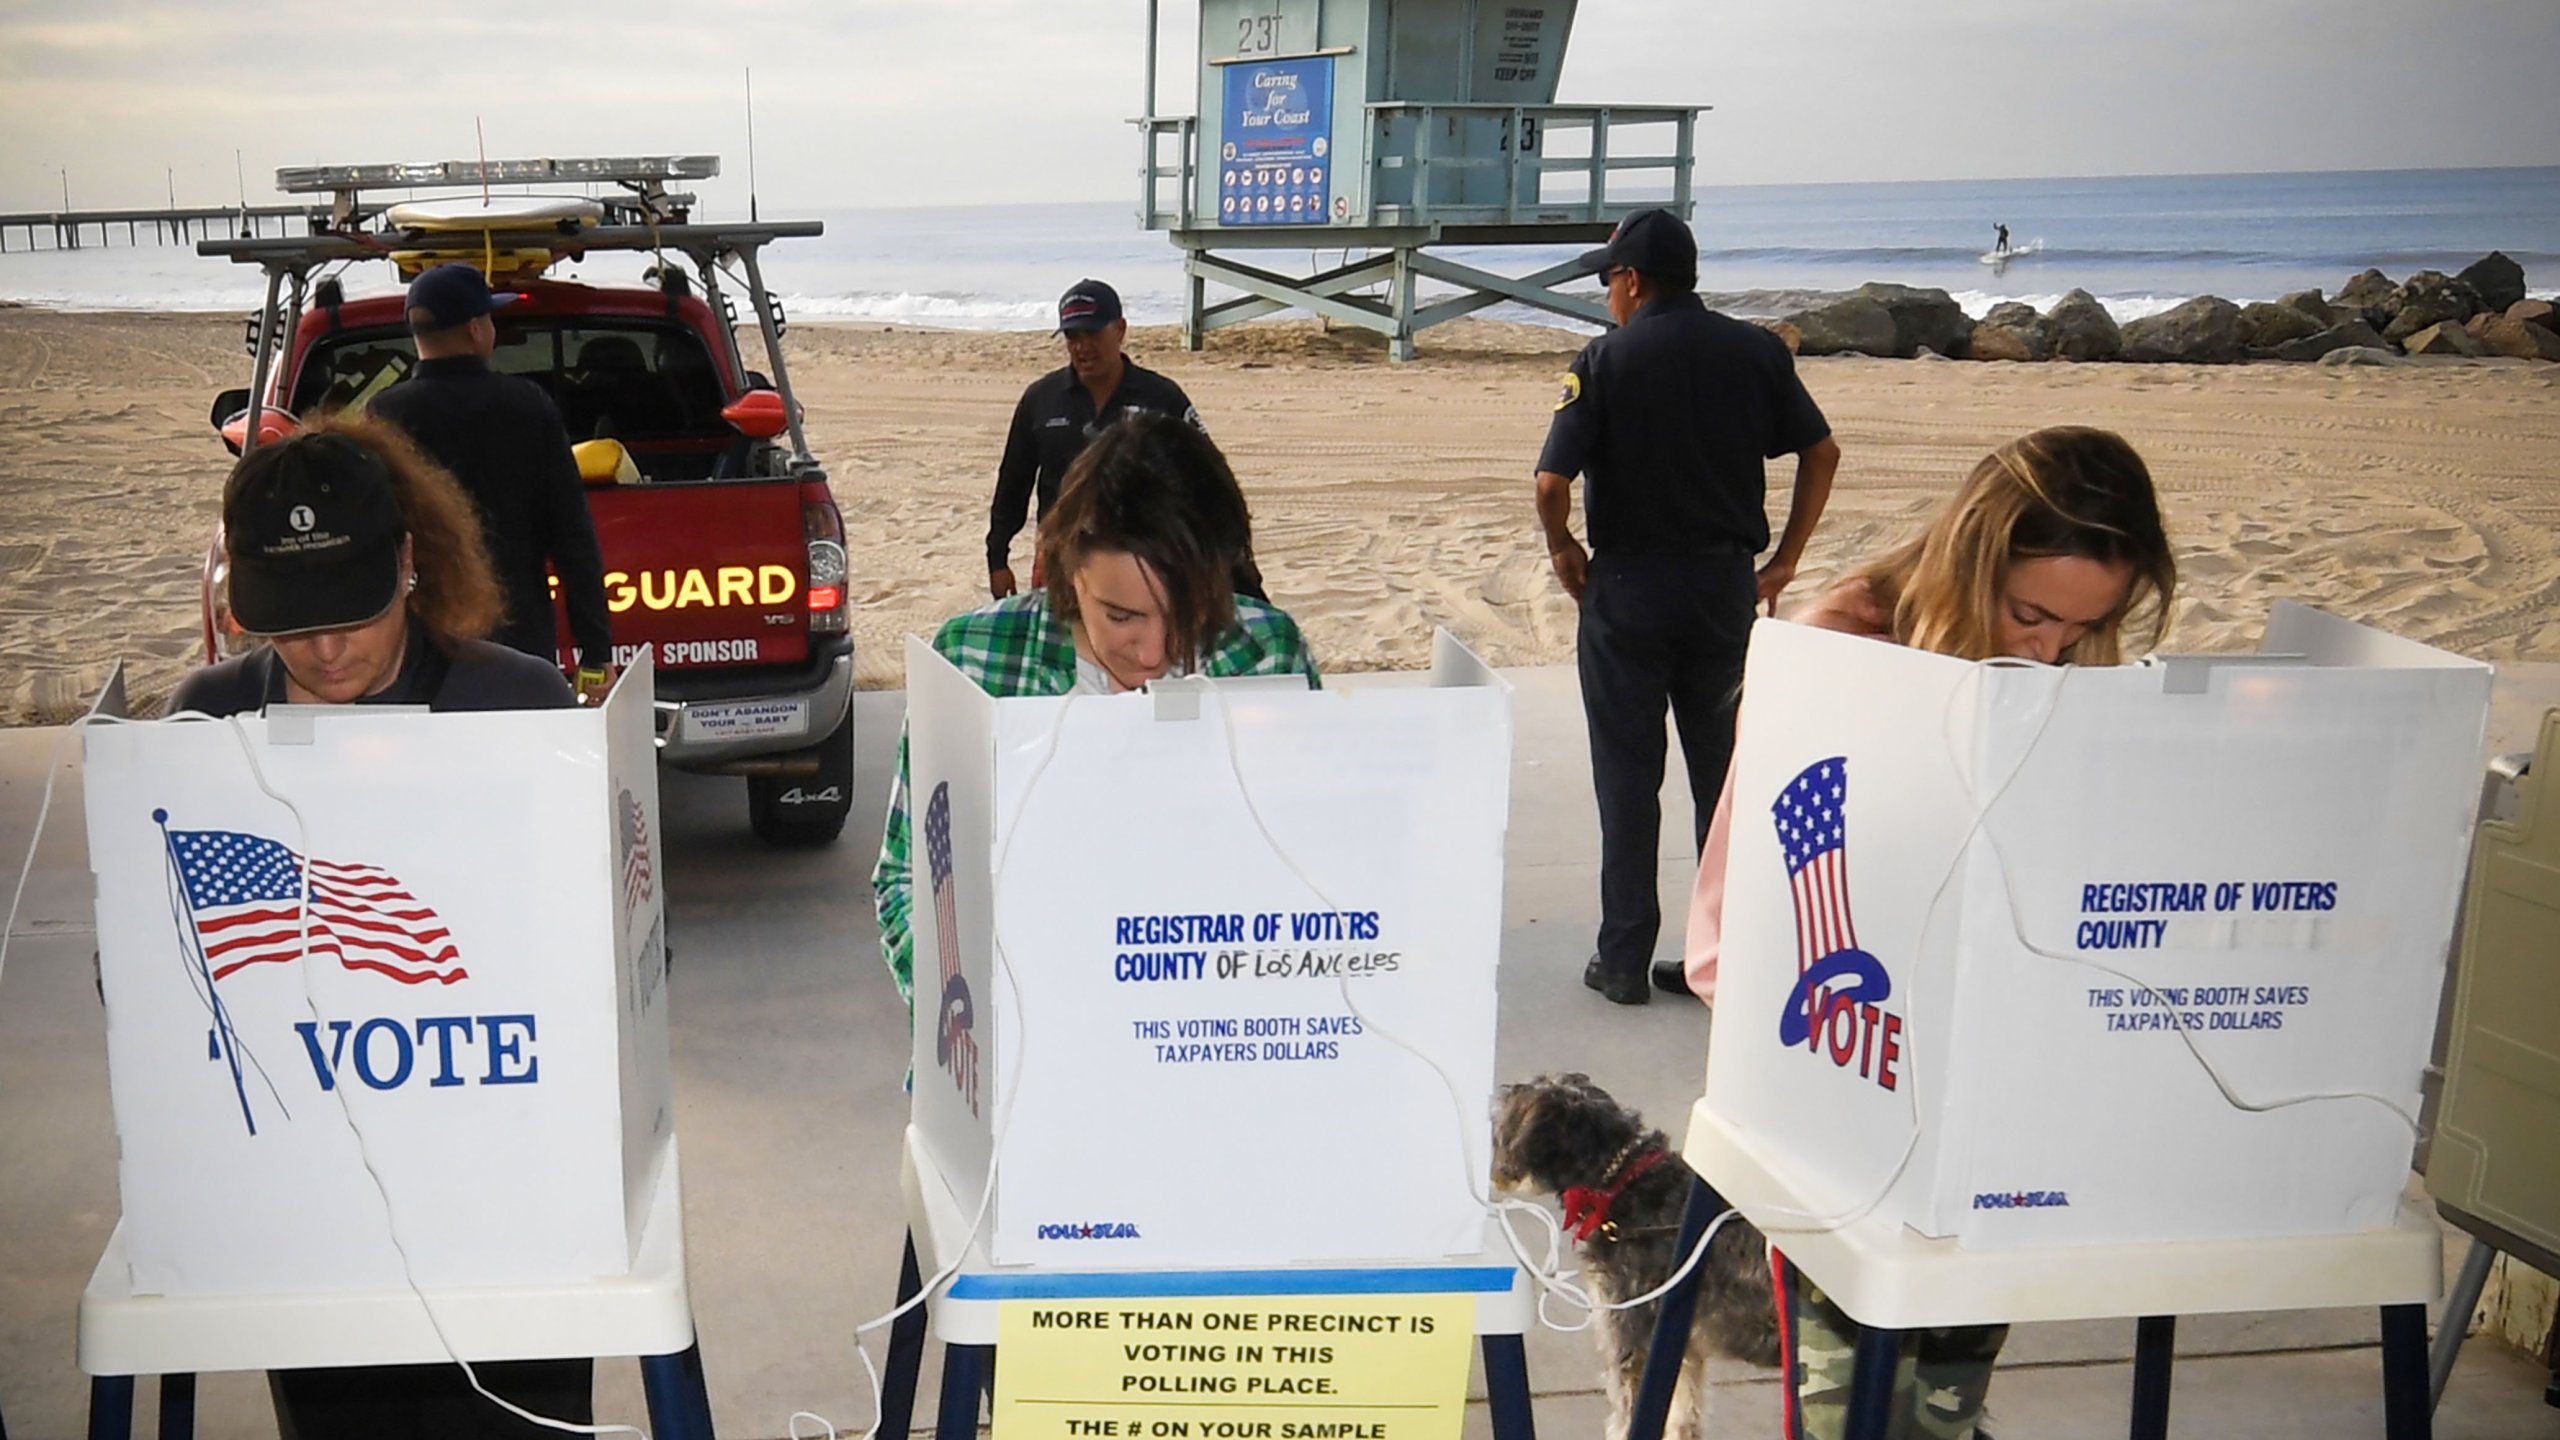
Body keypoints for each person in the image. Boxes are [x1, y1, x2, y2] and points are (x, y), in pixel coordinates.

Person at [1684, 425, 2179, 1440]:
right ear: (1970, 559)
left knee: (1942, 1406)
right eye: (2030, 615)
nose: (2048, 651)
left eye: (2084, 633)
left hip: (1994, 1104)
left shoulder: (2052, 669)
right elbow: (1739, 922)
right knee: (1843, 1410)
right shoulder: (1840, 653)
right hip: (1833, 1084)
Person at [167, 416, 591, 1438]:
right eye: (290, 620)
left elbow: (615, 949)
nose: (323, 647)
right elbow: (152, 980)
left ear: (407, 563)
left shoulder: (520, 704)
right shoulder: (204, 722)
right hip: (311, 1204)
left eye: (349, 611)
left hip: (511, 1190)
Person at [875, 412, 1317, 1015]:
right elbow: (909, 883)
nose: (1156, 653)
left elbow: (1309, 874)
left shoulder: (1267, 655)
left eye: (1190, 614)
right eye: (1122, 616)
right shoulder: (971, 661)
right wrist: (978, 1027)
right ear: (1067, 567)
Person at [1533, 206, 1842, 1006]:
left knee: (1628, 778)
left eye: (1609, 282)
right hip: (1722, 590)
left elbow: (1549, 483)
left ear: (1632, 280)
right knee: (1722, 776)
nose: (1608, 297)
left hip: (1629, 589)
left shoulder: (1604, 360)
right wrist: (1786, 562)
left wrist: (1564, 547)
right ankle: (1719, 958)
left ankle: (1625, 959)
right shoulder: (1756, 352)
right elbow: (1823, 450)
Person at [366, 262, 615, 700]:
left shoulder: (384, 416)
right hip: (521, 641)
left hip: (420, 644)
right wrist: (594, 654)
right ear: (477, 329)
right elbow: (573, 539)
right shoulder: (528, 407)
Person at [987, 279, 1240, 600]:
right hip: (1062, 559)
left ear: (1120, 329)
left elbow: (1210, 483)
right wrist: (997, 558)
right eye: (1071, 336)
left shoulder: (1162, 398)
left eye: (1092, 333)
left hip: (1145, 557)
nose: (1081, 346)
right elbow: (1013, 483)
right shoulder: (1041, 399)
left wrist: (1227, 565)